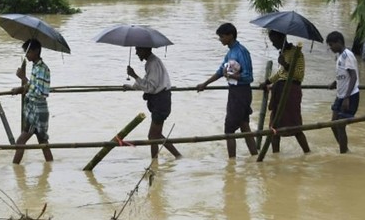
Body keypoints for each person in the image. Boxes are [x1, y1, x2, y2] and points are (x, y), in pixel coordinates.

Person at [196, 23, 258, 158]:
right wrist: (205, 84)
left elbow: (249, 77)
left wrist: (231, 75)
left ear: (230, 36)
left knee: (229, 129)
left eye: (222, 36)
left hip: (241, 93)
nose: (220, 39)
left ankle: (232, 163)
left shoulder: (241, 51)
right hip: (235, 93)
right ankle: (256, 157)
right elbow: (220, 71)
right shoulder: (230, 53)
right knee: (244, 126)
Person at [124, 47, 182, 159]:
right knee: (156, 135)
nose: (136, 53)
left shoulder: (152, 64)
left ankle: (158, 159)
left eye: (138, 50)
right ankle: (167, 158)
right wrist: (132, 86)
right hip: (161, 100)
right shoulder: (152, 62)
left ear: (145, 50)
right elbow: (147, 80)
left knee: (153, 135)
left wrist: (134, 75)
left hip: (160, 101)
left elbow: (150, 87)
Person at [259, 30, 311, 154]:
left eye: (274, 41)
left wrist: (286, 64)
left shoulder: (297, 53)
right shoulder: (283, 53)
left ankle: (307, 152)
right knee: (274, 127)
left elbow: (298, 75)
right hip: (280, 90)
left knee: (295, 125)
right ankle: (276, 156)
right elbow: (280, 73)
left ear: (281, 39)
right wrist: (267, 82)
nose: (273, 44)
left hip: (290, 91)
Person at [11, 39, 53, 164]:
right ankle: (50, 167)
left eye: (28, 52)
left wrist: (23, 78)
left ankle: (15, 170)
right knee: (43, 143)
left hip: (37, 111)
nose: (26, 54)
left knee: (20, 142)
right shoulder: (35, 67)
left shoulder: (42, 68)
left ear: (36, 52)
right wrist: (21, 88)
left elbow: (40, 92)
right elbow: (32, 87)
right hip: (34, 110)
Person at [326, 31, 360, 153]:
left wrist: (346, 98)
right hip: (340, 95)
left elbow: (353, 76)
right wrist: (335, 83)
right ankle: (345, 149)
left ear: (339, 42)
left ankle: (343, 153)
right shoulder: (339, 56)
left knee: (340, 126)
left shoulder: (347, 55)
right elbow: (343, 74)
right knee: (333, 124)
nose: (330, 48)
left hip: (349, 96)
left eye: (331, 45)